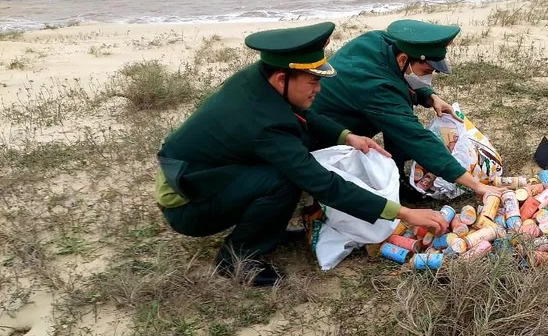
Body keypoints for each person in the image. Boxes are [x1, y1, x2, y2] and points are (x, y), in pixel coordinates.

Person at [155, 22, 448, 287]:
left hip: (209, 174)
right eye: (313, 82)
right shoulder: (266, 125)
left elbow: (302, 112)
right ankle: (236, 260)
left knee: (279, 174)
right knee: (283, 178)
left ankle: (266, 228)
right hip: (187, 204)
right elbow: (324, 183)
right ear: (283, 78)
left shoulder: (261, 79)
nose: (319, 90)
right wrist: (405, 213)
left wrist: (347, 136)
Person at [311, 19, 502, 197]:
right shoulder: (375, 87)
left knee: (397, 116)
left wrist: (431, 96)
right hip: (319, 131)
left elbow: (398, 76)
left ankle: (398, 171)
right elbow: (417, 138)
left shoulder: (381, 41)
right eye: (427, 72)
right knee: (400, 126)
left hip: (342, 107)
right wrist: (477, 185)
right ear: (403, 60)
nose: (429, 78)